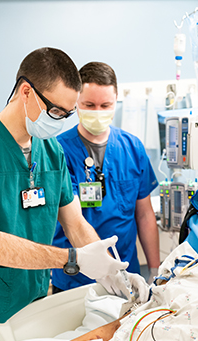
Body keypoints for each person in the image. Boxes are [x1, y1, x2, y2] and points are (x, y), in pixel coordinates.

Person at [0, 48, 148, 341]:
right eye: (55, 110)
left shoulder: (50, 150)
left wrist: (109, 268)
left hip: (34, 301)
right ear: (26, 91)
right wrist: (73, 260)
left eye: (67, 114)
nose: (61, 121)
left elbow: (75, 221)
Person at [52, 62, 160, 293]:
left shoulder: (132, 148)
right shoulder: (58, 152)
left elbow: (144, 214)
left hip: (127, 273)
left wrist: (154, 269)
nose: (98, 112)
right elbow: (71, 221)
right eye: (89, 105)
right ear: (76, 103)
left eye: (105, 105)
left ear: (116, 101)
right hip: (75, 278)